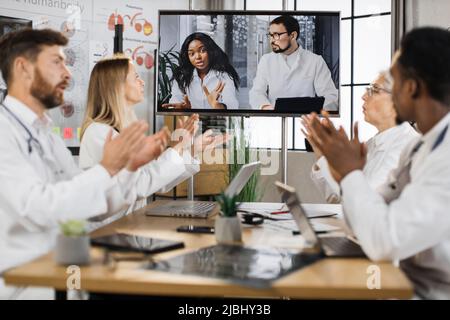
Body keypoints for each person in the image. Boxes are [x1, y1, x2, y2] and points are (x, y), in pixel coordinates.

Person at [0, 29, 166, 299]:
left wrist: (129, 168)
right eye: (56, 62)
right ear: (23, 68)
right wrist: (108, 169)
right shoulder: (3, 131)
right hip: (28, 287)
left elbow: (89, 207)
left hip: (67, 275)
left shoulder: (47, 135)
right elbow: (38, 207)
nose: (68, 73)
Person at [305, 27, 450, 299]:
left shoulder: (444, 157)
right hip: (400, 282)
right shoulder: (421, 146)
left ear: (412, 87)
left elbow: (384, 241)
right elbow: (366, 218)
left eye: (391, 82)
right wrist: (344, 172)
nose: (365, 96)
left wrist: (349, 173)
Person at [80, 55, 228, 230]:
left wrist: (192, 149)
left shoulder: (123, 131)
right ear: (117, 87)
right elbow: (142, 184)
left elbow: (158, 181)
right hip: (107, 234)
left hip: (127, 229)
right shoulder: (99, 133)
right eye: (136, 77)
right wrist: (178, 147)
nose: (142, 82)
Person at [302, 71, 418, 203]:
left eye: (374, 90)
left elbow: (366, 204)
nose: (363, 96)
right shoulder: (371, 144)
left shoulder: (407, 146)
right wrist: (323, 155)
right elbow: (338, 198)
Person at [249, 15, 339, 111]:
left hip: (305, 120)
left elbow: (331, 97)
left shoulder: (315, 61)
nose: (272, 40)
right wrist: (266, 107)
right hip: (275, 119)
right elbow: (256, 92)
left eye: (276, 35)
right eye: (270, 35)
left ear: (293, 35)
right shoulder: (266, 60)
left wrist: (314, 114)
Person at [162, 32, 240, 110]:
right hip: (191, 121)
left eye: (202, 50)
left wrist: (217, 106)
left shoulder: (224, 76)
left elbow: (232, 106)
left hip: (217, 121)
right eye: (192, 54)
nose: (198, 57)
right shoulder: (181, 77)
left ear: (211, 51)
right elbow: (175, 102)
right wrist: (184, 109)